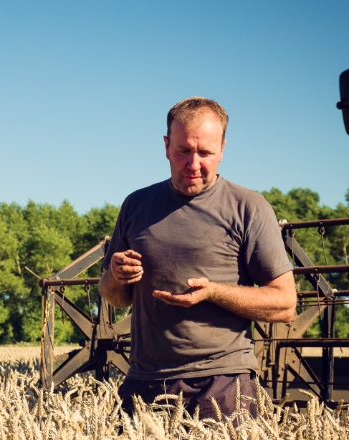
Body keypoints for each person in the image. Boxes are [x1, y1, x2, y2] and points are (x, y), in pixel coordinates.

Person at [99, 97, 296, 420]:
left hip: (222, 384)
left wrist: (215, 292)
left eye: (205, 153)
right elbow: (116, 299)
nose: (193, 164)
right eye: (182, 151)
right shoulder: (136, 205)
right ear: (165, 146)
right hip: (145, 381)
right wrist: (115, 277)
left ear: (222, 149)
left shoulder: (249, 207)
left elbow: (286, 304)